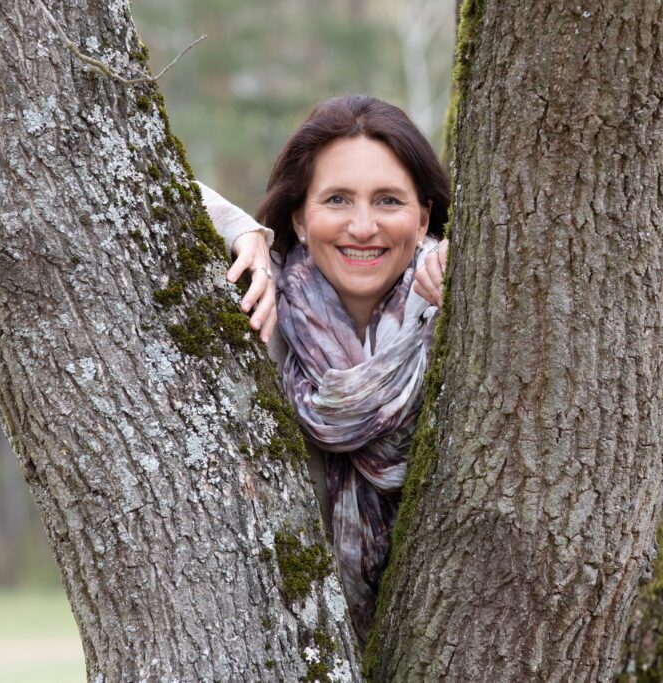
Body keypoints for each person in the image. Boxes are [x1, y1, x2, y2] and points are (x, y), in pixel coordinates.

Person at [199, 95, 449, 642]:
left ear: (423, 216)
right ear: (300, 219)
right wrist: (242, 231)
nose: (363, 226)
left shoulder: (458, 318)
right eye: (337, 199)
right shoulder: (260, 312)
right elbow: (133, 188)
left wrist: (472, 275)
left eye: (388, 200)